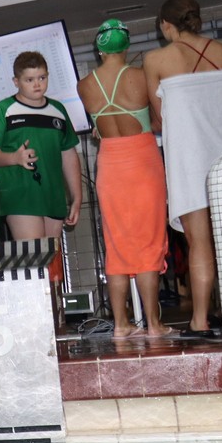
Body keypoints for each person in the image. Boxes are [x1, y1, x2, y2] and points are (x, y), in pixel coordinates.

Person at [77, 20, 172, 338]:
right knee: (148, 243)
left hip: (110, 164)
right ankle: (154, 325)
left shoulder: (84, 85)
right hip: (142, 161)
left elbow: (100, 124)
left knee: (116, 245)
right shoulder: (140, 76)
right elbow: (159, 121)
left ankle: (120, 325)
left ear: (99, 49)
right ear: (127, 46)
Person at [143, 0, 222, 340]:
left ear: (166, 25)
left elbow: (158, 119)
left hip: (191, 160)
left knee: (199, 242)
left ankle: (200, 321)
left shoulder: (155, 59)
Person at [0, 51, 82, 262]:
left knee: (52, 266)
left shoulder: (58, 110)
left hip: (53, 197)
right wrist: (14, 158)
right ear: (16, 82)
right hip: (21, 198)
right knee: (35, 262)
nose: (37, 84)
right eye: (29, 80)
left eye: (42, 78)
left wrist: (77, 197)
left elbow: (68, 154)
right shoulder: (4, 110)